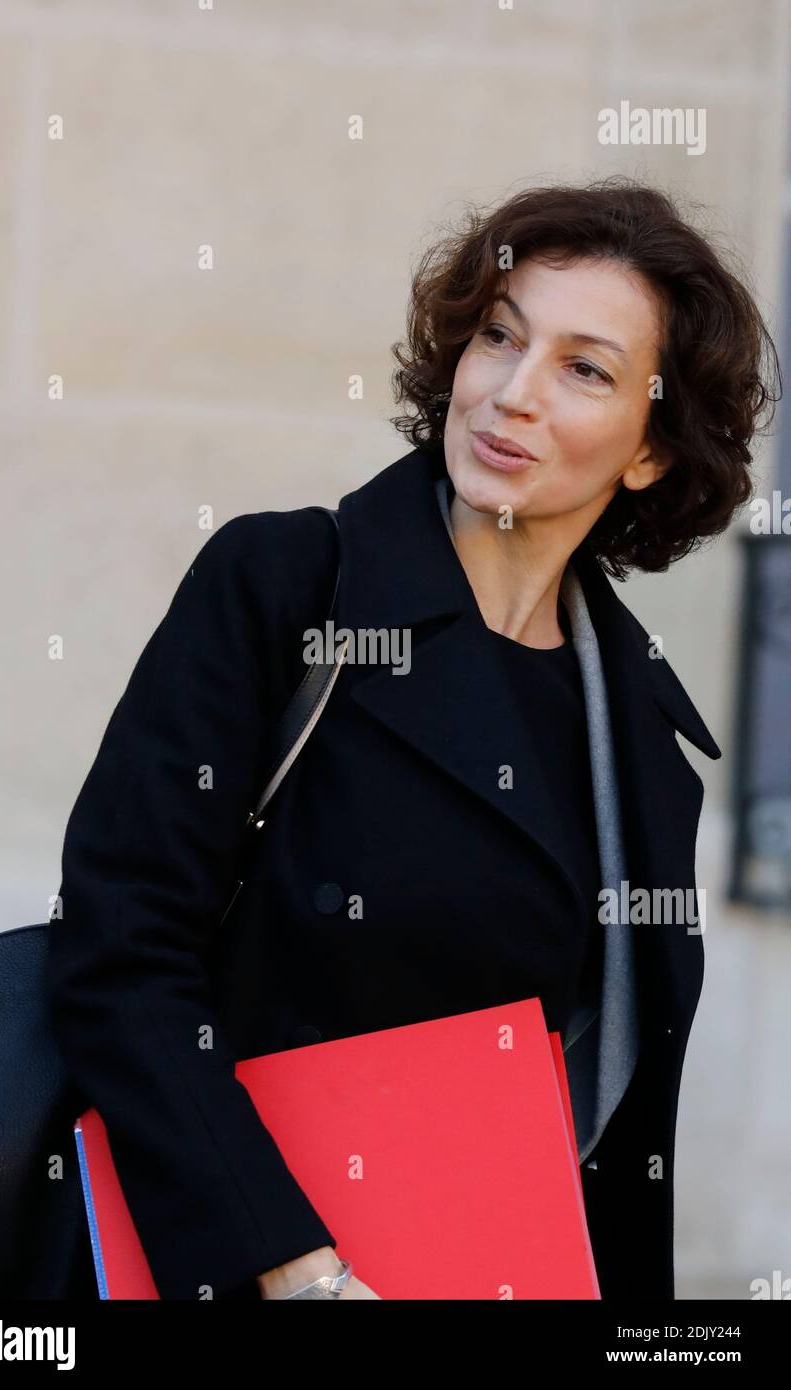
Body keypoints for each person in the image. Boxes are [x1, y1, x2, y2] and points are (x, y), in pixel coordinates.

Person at [45, 176, 779, 1301]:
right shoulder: (286, 588)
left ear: (650, 451)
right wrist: (294, 1270)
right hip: (239, 1269)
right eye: (500, 336)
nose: (511, 394)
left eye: (583, 369)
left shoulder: (638, 737)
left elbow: (618, 1132)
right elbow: (119, 947)